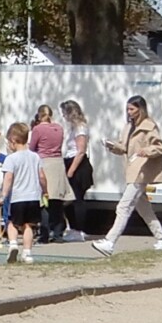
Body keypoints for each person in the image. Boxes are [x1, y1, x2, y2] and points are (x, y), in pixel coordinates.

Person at [92, 96, 162, 254]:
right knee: (144, 208)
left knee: (123, 206)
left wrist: (146, 151)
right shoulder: (128, 127)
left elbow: (159, 147)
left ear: (140, 109)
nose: (129, 112)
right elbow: (124, 148)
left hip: (141, 172)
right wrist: (112, 146)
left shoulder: (149, 126)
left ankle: (109, 242)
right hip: (132, 170)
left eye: (132, 109)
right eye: (128, 109)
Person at [0, 121, 43, 263]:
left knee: (12, 222)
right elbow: (42, 176)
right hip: (33, 196)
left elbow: (8, 178)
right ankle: (27, 253)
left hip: (18, 197)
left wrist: (3, 195)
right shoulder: (35, 157)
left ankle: (13, 244)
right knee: (28, 226)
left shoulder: (11, 159)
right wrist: (45, 191)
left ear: (13, 140)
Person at [26, 104, 66, 242]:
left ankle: (44, 234)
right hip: (58, 163)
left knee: (44, 201)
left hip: (44, 163)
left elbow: (32, 148)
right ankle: (58, 233)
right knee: (57, 201)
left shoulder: (37, 129)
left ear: (39, 115)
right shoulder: (59, 128)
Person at [59, 99, 93, 240]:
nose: (63, 116)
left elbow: (81, 151)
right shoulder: (73, 128)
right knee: (69, 199)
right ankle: (73, 228)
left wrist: (71, 171)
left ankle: (79, 229)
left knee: (77, 199)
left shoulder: (80, 128)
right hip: (70, 161)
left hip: (78, 165)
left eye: (65, 113)